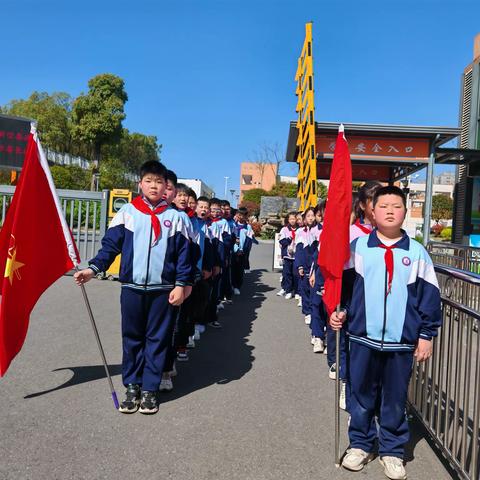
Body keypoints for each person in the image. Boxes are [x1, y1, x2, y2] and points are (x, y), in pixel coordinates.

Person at [330, 186, 441, 479]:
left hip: (401, 341)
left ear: (405, 212)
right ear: (372, 211)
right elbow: (344, 290)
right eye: (384, 206)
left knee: (394, 397)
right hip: (362, 337)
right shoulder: (357, 249)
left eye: (397, 206)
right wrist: (337, 311)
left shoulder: (417, 253)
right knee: (361, 394)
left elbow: (429, 297)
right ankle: (361, 444)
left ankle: (392, 450)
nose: (390, 211)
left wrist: (427, 335)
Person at [74, 161, 192, 415]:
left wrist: (182, 284)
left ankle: (150, 389)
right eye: (149, 180)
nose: (153, 185)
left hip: (163, 290)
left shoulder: (176, 218)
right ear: (140, 183)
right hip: (131, 288)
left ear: (166, 188)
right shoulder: (127, 212)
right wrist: (93, 269)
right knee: (132, 339)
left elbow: (185, 256)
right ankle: (132, 386)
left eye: (159, 182)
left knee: (157, 340)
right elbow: (110, 246)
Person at [294, 207, 316, 325]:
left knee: (315, 291)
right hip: (305, 265)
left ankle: (314, 313)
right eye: (308, 216)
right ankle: (307, 312)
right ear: (304, 219)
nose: (311, 218)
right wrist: (299, 266)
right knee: (305, 289)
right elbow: (298, 251)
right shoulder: (300, 232)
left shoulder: (319, 231)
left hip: (316, 266)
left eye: (313, 215)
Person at [277, 212, 297, 298]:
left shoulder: (300, 229)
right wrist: (289, 239)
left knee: (294, 274)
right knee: (286, 273)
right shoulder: (284, 229)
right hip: (287, 255)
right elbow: (282, 241)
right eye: (291, 219)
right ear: (288, 220)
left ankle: (293, 290)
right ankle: (287, 290)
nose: (292, 221)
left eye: (294, 219)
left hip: (296, 256)